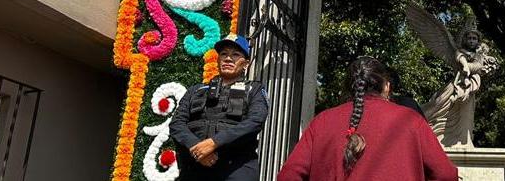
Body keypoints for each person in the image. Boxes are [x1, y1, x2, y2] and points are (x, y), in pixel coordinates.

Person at [277, 56, 458, 181]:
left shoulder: (322, 121)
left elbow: (289, 176)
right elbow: (446, 174)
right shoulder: (410, 120)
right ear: (386, 87)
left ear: (350, 87)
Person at [170, 34, 269, 180]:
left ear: (246, 63)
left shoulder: (254, 90)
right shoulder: (195, 90)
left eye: (235, 54)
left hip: (236, 168)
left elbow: (255, 121)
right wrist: (197, 148)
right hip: (195, 165)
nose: (228, 58)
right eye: (224, 54)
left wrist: (214, 143)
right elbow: (177, 124)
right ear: (218, 60)